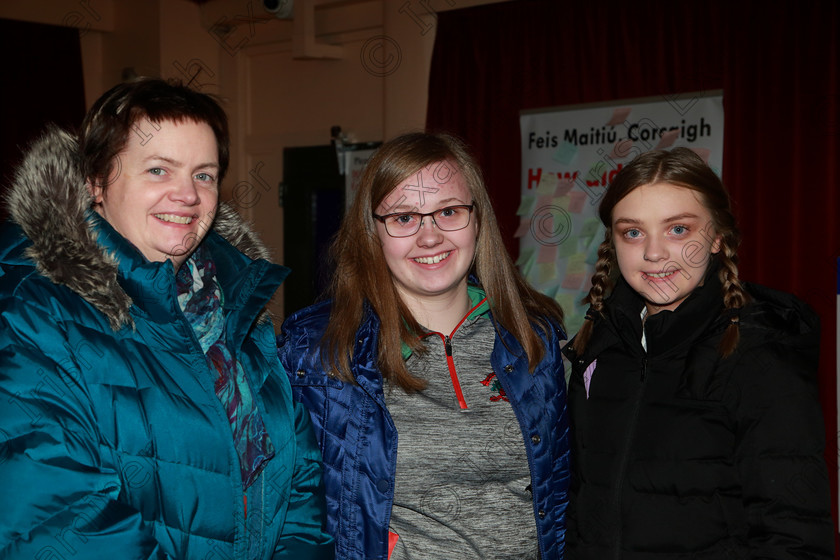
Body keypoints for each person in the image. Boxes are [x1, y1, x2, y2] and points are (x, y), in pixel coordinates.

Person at [0, 78, 334, 559]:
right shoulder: (34, 313)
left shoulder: (235, 310)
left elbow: (299, 483)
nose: (188, 195)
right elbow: (56, 521)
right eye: (159, 170)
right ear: (95, 184)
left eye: (204, 175)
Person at [277, 132, 570, 560]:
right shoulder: (317, 352)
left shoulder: (535, 341)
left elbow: (563, 497)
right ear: (373, 231)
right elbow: (284, 505)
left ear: (477, 220)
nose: (429, 237)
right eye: (404, 218)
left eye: (448, 211)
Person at [562, 147, 835, 558]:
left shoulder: (760, 352)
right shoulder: (599, 348)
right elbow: (580, 504)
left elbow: (794, 535)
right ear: (613, 242)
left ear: (716, 238)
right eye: (632, 232)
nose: (653, 253)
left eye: (678, 230)